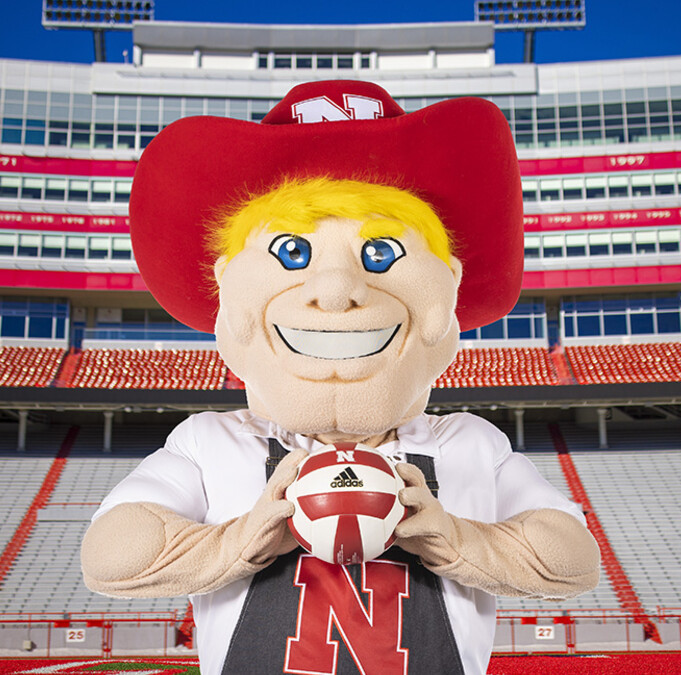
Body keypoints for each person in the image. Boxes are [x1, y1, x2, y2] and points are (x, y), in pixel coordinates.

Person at [81, 81, 600, 675]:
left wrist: (454, 540)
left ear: (445, 287)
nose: (335, 290)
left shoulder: (467, 444)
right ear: (229, 288)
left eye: (380, 254)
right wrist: (244, 541)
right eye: (291, 253)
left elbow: (574, 559)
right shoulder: (213, 441)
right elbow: (110, 554)